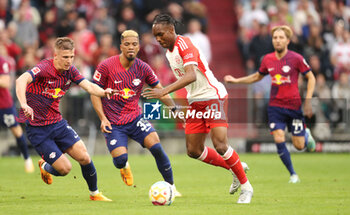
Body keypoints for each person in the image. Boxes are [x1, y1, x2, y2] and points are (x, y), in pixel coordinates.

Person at [143, 14, 253, 204]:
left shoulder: (184, 44)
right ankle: (234, 167)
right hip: (195, 102)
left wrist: (165, 91)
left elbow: (192, 75)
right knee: (193, 150)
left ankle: (246, 187)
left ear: (171, 30)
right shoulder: (169, 53)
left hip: (213, 96)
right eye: (155, 36)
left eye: (161, 34)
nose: (158, 39)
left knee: (220, 144)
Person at [15, 37, 113, 201]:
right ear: (55, 56)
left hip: (58, 124)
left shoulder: (71, 71)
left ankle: (94, 194)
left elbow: (88, 86)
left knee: (84, 156)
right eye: (65, 57)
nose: (69, 61)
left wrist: (103, 92)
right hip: (38, 129)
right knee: (65, 169)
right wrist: (24, 104)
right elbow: (21, 79)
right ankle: (46, 166)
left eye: (71, 57)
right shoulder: (44, 68)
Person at [90, 30, 181, 196]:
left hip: (135, 119)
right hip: (114, 123)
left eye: (134, 44)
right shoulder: (106, 66)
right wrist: (102, 119)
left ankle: (171, 187)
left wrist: (174, 108)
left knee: (156, 146)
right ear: (121, 46)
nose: (130, 47)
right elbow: (94, 92)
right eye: (127, 44)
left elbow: (160, 90)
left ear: (139, 47)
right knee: (119, 160)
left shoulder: (143, 68)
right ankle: (124, 166)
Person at [224, 25, 316, 183]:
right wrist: (237, 80)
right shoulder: (267, 59)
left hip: (294, 107)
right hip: (275, 107)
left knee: (299, 146)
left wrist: (307, 100)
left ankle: (305, 135)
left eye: (281, 38)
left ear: (287, 41)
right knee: (279, 138)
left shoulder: (296, 58)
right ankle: (293, 174)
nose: (278, 40)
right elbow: (257, 77)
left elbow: (311, 78)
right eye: (275, 38)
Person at [0, 55, 34, 173]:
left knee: (16, 131)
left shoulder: (2, 61)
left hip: (3, 105)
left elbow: (5, 82)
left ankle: (27, 159)